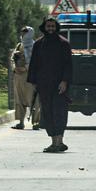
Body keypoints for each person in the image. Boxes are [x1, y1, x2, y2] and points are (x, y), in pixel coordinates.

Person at [27, 17, 73, 153]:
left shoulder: (63, 44)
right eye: (48, 26)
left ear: (56, 28)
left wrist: (65, 81)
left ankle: (59, 141)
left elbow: (68, 65)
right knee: (48, 113)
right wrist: (34, 83)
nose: (51, 29)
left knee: (59, 112)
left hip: (59, 86)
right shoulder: (38, 44)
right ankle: (54, 142)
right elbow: (34, 65)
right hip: (44, 85)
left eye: (53, 26)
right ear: (44, 27)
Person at [11, 26, 40, 130]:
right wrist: (15, 68)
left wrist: (25, 69)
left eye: (25, 33)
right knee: (19, 99)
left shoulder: (35, 46)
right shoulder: (19, 45)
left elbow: (36, 62)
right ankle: (21, 122)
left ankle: (36, 122)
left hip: (30, 77)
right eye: (22, 32)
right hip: (18, 77)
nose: (23, 34)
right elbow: (12, 59)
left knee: (33, 99)